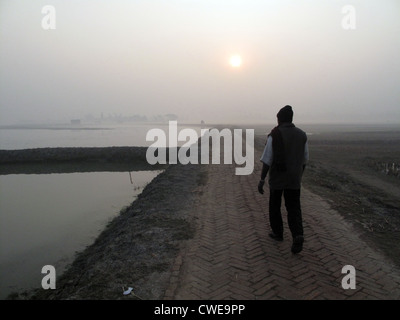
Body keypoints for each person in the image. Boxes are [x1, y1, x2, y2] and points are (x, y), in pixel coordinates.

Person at [258, 105, 309, 254]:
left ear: (280, 119)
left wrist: (262, 179)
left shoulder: (274, 135)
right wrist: (299, 176)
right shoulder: (302, 135)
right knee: (294, 207)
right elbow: (305, 160)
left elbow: (267, 160)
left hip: (278, 178)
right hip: (294, 178)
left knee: (275, 205)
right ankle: (297, 234)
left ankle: (278, 233)